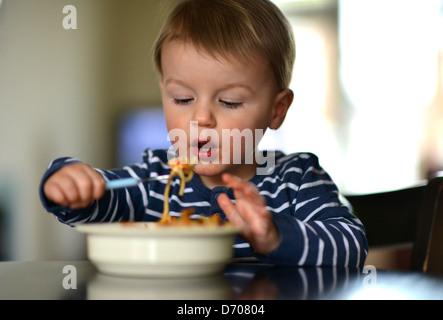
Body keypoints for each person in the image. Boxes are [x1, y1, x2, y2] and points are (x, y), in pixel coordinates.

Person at [40, 0, 368, 267]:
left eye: (229, 101)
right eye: (182, 99)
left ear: (276, 110)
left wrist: (276, 236)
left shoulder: (294, 181)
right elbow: (101, 201)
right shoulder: (156, 180)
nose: (201, 118)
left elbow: (351, 245)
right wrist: (71, 180)